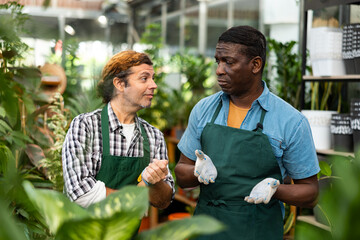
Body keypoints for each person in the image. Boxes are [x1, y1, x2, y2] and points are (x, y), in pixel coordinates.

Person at [174, 26, 320, 240]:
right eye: (218, 61)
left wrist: (275, 190)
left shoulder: (290, 121)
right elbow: (181, 173)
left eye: (229, 62)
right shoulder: (204, 110)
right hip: (207, 230)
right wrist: (197, 169)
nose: (219, 70)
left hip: (258, 230)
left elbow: (310, 192)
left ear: (255, 65)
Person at [62, 50, 174, 209]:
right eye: (144, 78)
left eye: (153, 78)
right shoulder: (85, 126)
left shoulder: (153, 136)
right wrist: (136, 196)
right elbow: (80, 193)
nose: (153, 85)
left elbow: (164, 201)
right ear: (120, 84)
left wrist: (154, 181)